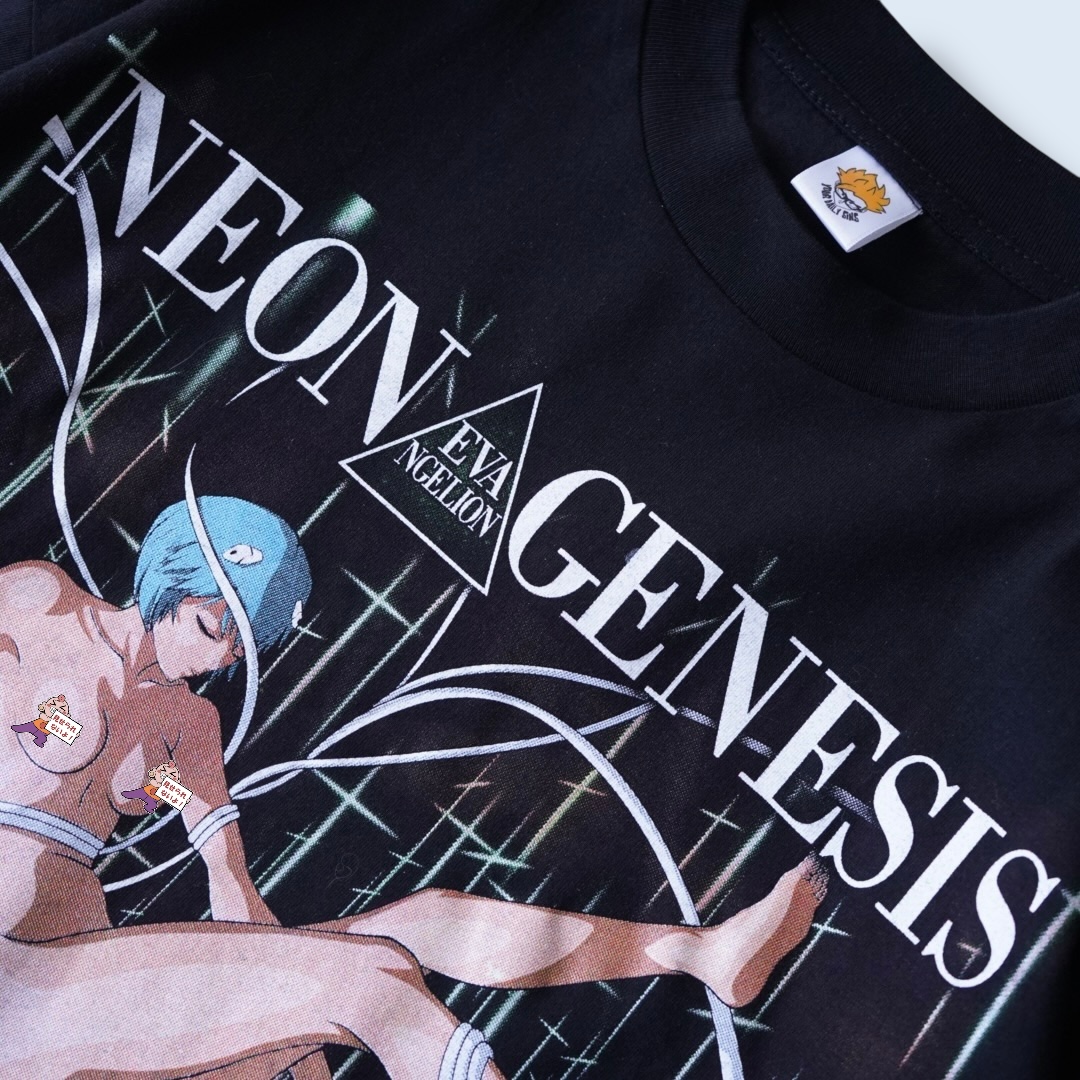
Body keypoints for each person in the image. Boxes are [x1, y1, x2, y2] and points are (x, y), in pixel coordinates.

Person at [0, 495, 828, 1079]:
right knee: (372, 983)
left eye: (242, 648)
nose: (221, 659)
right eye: (216, 627)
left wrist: (288, 1030)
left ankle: (694, 952)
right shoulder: (41, 603)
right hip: (21, 997)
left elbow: (227, 879)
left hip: (83, 999)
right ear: (170, 578)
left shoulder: (186, 729)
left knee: (407, 929)